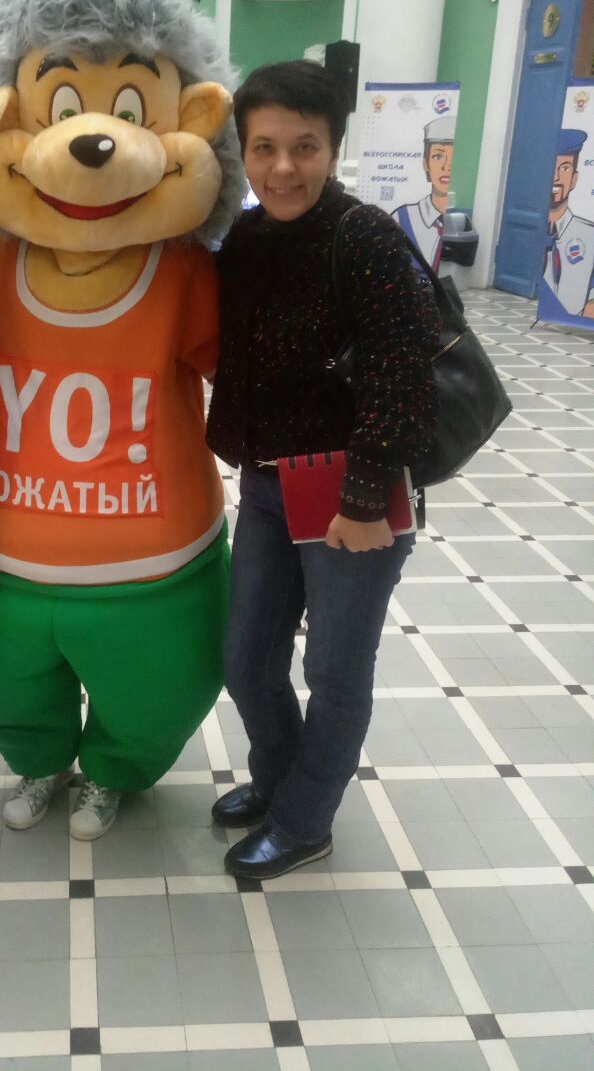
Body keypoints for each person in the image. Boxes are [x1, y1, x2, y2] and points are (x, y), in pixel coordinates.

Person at [206, 61, 438, 879]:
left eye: (304, 146)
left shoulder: (363, 236)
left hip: (353, 491)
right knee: (247, 659)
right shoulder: (246, 240)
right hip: (271, 485)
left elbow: (402, 369)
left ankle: (304, 821)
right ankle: (280, 781)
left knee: (334, 671)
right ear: (243, 152)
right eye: (264, 148)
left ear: (334, 147)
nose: (283, 168)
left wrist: (366, 498)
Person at [391, 116, 455, 270]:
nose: (447, 166)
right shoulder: (402, 217)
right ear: (426, 163)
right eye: (438, 156)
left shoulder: (459, 222)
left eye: (455, 156)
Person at [542, 128, 594, 318]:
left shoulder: (589, 236)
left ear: (574, 179)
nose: (556, 177)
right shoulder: (534, 232)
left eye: (564, 168)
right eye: (551, 167)